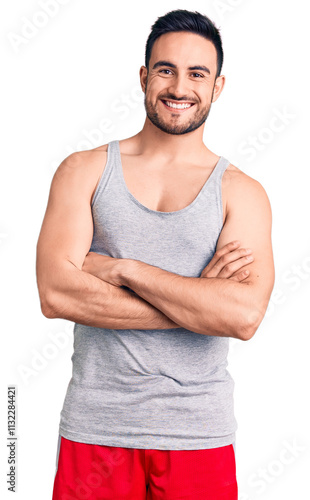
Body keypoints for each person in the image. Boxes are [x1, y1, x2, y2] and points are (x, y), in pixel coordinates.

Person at [36, 9, 275, 500]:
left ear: (218, 87)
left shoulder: (241, 193)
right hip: (96, 429)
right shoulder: (83, 171)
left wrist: (122, 269)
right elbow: (56, 294)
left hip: (198, 434)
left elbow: (245, 315)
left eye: (197, 73)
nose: (179, 86)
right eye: (165, 69)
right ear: (144, 77)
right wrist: (200, 305)